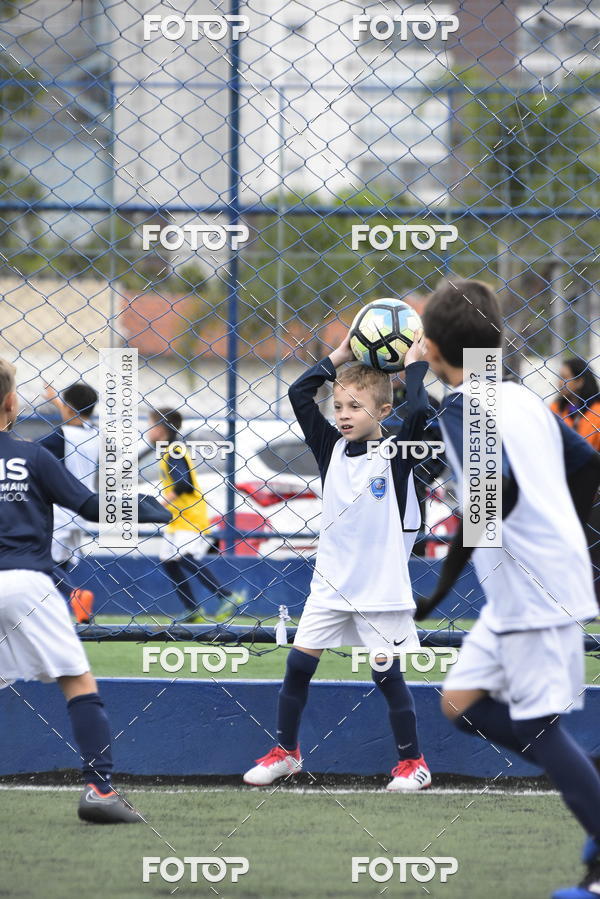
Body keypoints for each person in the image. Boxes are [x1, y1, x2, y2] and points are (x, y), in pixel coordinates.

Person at [417, 278, 600, 899]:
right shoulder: (517, 395)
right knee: (460, 705)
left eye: (421, 337)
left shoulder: (464, 408)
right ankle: (592, 785)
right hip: (523, 591)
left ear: (436, 349)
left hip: (533, 592)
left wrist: (438, 590)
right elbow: (585, 464)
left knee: (541, 728)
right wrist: (560, 531)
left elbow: (494, 495)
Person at [244, 329, 433, 791]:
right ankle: (287, 753)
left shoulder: (396, 453)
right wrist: (341, 355)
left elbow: (422, 410)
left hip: (380, 589)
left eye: (356, 407)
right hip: (330, 584)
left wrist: (415, 367)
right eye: (340, 407)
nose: (344, 415)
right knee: (298, 667)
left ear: (384, 411)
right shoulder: (330, 448)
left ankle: (414, 763)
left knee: (386, 673)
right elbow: (299, 392)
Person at [0, 359, 171, 822]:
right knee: (77, 680)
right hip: (25, 581)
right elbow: (91, 505)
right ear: (12, 404)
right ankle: (98, 790)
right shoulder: (33, 455)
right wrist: (142, 506)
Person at [147, 408, 245, 622]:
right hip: (177, 517)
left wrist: (160, 503)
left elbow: (184, 484)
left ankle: (227, 596)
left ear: (161, 428)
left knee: (184, 557)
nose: (148, 430)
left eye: (151, 425)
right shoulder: (169, 450)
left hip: (190, 515)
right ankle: (192, 608)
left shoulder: (173, 450)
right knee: (169, 561)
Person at [39, 382, 99, 624]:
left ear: (69, 409)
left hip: (60, 510)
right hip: (84, 507)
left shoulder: (58, 438)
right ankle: (60, 607)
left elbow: (31, 453)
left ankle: (74, 594)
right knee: (61, 562)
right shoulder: (94, 433)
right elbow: (75, 415)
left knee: (43, 563)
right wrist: (56, 400)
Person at [550, 357, 600, 603]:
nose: (559, 382)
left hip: (593, 491)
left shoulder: (597, 411)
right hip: (560, 489)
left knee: (592, 546)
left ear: (579, 382)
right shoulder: (555, 409)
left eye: (565, 377)